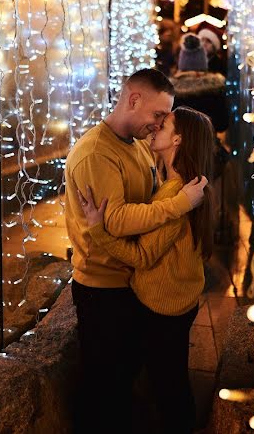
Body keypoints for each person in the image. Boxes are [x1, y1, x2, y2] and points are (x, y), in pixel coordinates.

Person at [64, 68, 208, 433]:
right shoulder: (97, 153)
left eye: (165, 121)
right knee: (106, 388)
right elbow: (115, 220)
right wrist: (179, 206)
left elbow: (147, 227)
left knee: (132, 385)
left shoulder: (138, 145)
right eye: (158, 115)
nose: (158, 125)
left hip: (130, 284)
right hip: (103, 287)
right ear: (133, 100)